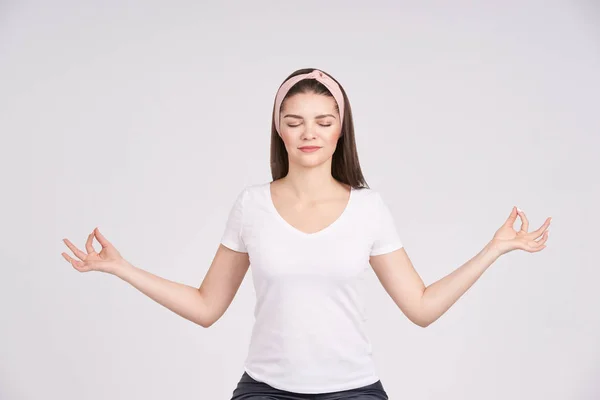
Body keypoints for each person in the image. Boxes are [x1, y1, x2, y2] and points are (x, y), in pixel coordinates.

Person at [61, 68, 552, 399]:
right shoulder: (251, 205)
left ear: (340, 130)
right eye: (294, 121)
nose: (308, 133)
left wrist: (495, 249)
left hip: (354, 390)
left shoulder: (368, 209)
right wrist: (121, 268)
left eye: (323, 121)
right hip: (264, 391)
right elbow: (207, 307)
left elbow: (420, 307)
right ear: (279, 128)